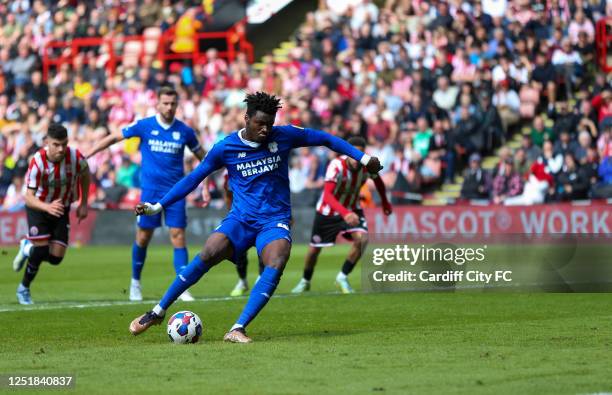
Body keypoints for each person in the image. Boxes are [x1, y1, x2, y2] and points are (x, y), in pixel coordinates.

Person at [128, 92, 383, 343]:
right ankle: (157, 312)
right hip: (240, 219)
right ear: (246, 118)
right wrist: (158, 206)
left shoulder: (283, 135)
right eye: (260, 123)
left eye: (269, 124)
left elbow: (325, 138)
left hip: (273, 221)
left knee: (277, 258)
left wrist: (363, 157)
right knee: (209, 252)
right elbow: (194, 179)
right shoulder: (225, 147)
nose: (265, 130)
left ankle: (237, 328)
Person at [86, 86, 206, 302]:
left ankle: (182, 286)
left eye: (172, 103)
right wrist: (90, 152)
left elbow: (204, 158)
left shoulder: (185, 131)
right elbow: (115, 138)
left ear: (177, 105)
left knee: (178, 236)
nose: (169, 107)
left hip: (176, 191)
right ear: (157, 104)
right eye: (165, 103)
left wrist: (205, 183)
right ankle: (135, 283)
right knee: (143, 236)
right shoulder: (144, 126)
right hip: (150, 191)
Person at [291, 136, 392, 294]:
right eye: (354, 154)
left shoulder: (367, 166)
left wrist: (385, 202)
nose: (357, 159)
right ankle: (305, 280)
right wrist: (345, 213)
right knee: (314, 250)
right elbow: (327, 196)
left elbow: (378, 182)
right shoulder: (336, 165)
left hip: (352, 208)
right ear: (349, 153)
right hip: (328, 211)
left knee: (363, 239)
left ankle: (342, 277)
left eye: (361, 154)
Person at [12, 123, 90, 305]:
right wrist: (46, 207)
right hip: (39, 207)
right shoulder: (37, 161)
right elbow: (28, 197)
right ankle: (23, 288)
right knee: (40, 250)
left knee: (56, 258)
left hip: (61, 207)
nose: (61, 149)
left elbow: (86, 174)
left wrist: (84, 202)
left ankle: (26, 247)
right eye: (56, 144)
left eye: (64, 144)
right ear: (47, 142)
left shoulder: (75, 157)